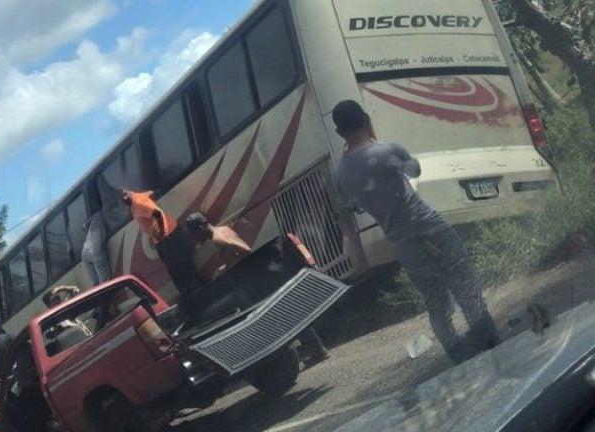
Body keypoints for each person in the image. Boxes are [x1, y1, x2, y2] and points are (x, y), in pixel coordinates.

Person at [330, 99, 501, 363]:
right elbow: (414, 169)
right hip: (431, 227)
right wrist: (377, 142)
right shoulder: (387, 151)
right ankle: (492, 344)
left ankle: (460, 356)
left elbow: (349, 207)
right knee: (466, 288)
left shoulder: (340, 173)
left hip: (404, 245)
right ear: (366, 119)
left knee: (437, 303)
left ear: (340, 133)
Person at [184, 212, 330, 366]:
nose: (194, 238)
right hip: (257, 275)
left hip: (255, 279)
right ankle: (317, 349)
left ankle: (317, 349)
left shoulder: (217, 239)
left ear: (201, 227)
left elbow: (244, 250)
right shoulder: (223, 229)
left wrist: (230, 268)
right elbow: (236, 254)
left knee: (283, 314)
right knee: (286, 312)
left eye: (194, 233)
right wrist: (224, 268)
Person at [120, 189, 201, 294]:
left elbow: (157, 213)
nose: (124, 198)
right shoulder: (137, 198)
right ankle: (195, 292)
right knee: (183, 266)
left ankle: (195, 295)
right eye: (121, 197)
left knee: (180, 270)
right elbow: (150, 193)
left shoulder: (138, 202)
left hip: (167, 238)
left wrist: (161, 231)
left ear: (129, 192)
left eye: (125, 195)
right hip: (169, 235)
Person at [81, 210, 110, 285]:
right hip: (96, 251)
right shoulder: (105, 213)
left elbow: (84, 226)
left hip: (85, 253)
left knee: (97, 284)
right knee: (105, 284)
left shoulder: (95, 217)